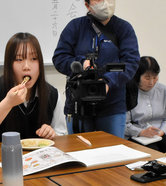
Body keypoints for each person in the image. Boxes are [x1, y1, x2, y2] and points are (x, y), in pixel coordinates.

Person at [53, 0, 140, 138]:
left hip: (112, 106)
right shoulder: (75, 27)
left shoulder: (124, 28)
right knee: (79, 154)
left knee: (112, 154)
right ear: (87, 5)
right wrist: (81, 64)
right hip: (78, 104)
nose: (105, 3)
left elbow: (131, 63)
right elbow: (59, 58)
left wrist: (107, 81)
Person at [0, 32, 67, 144]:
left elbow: (62, 137)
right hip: (0, 159)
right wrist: (8, 103)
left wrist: (52, 134)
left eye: (33, 58)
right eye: (19, 59)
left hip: (38, 159)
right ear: (9, 64)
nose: (26, 67)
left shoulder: (52, 93)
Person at [125, 56, 166, 152]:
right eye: (147, 78)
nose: (152, 82)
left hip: (160, 134)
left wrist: (161, 132)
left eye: (155, 77)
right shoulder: (128, 92)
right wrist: (142, 132)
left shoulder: (164, 91)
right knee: (154, 154)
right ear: (137, 76)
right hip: (136, 136)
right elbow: (124, 123)